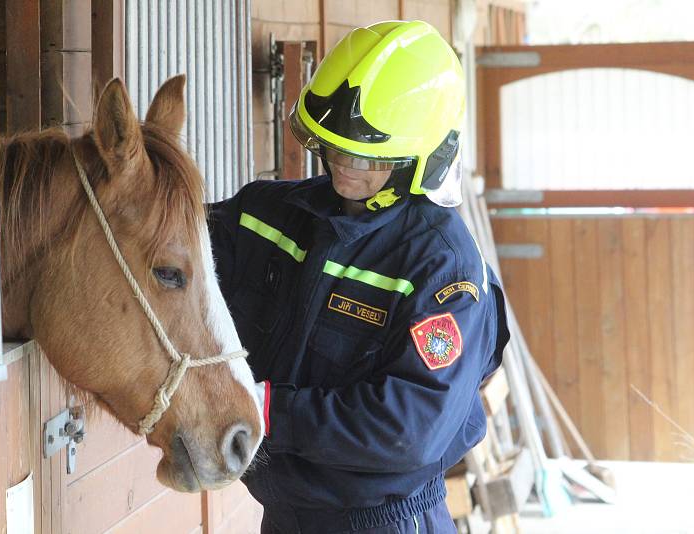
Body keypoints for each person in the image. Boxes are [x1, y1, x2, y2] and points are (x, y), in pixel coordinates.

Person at [209, 20, 510, 534]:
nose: (343, 165)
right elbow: (170, 244)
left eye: (367, 156)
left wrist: (262, 408)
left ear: (422, 157)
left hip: (385, 522)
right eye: (333, 145)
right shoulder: (266, 215)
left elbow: (409, 428)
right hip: (284, 517)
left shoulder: (443, 267)